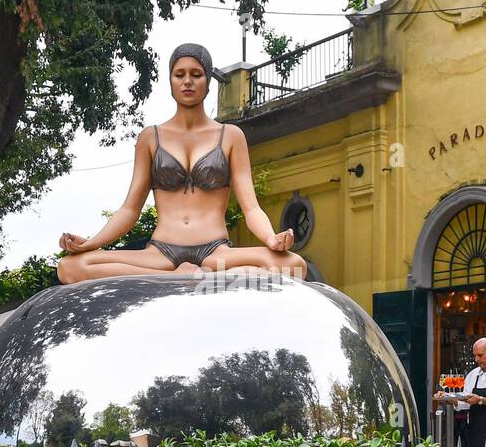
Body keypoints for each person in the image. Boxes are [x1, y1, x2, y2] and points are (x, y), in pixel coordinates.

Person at [56, 43, 307, 282]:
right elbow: (129, 210)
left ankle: (203, 274)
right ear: (171, 81)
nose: (187, 81)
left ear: (208, 81)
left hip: (215, 251)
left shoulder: (230, 136)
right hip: (160, 253)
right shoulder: (150, 138)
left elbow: (251, 208)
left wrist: (271, 239)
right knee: (69, 267)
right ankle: (180, 277)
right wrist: (91, 244)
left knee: (293, 266)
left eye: (196, 74)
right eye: (179, 74)